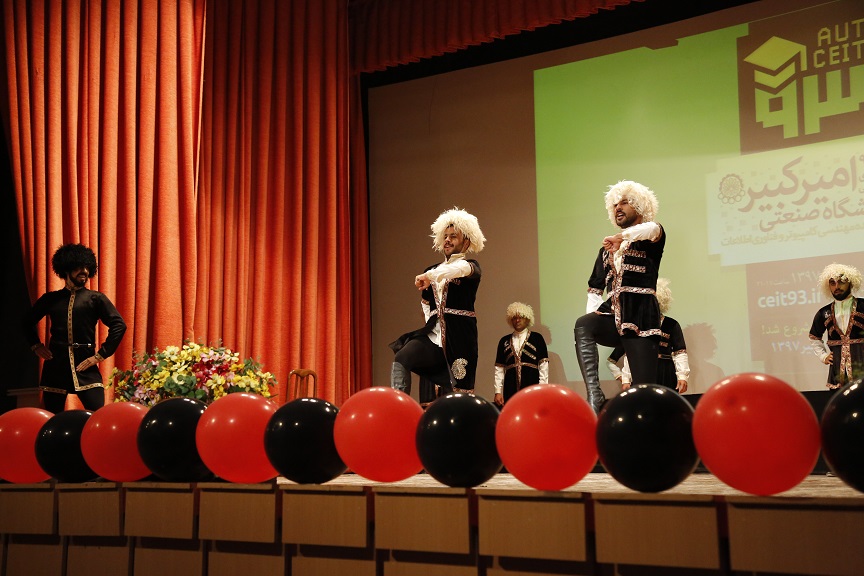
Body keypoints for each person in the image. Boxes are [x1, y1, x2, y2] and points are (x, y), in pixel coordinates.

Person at [574, 180, 665, 414]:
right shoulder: (605, 250)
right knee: (584, 324)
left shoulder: (650, 237)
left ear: (639, 206)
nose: (618, 208)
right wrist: (594, 316)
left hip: (641, 318)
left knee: (644, 391)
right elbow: (595, 288)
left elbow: (653, 229)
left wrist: (622, 237)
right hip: (612, 315)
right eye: (615, 204)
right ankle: (594, 393)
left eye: (624, 202)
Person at [389, 208, 486, 407]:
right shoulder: (431, 270)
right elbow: (426, 303)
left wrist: (431, 276)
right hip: (434, 337)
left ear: (466, 242)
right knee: (402, 356)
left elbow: (457, 269)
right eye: (445, 236)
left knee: (460, 391)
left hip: (460, 337)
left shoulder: (470, 266)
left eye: (453, 236)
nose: (447, 240)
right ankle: (398, 408)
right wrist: (431, 324)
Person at [23, 243, 127, 413]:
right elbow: (26, 322)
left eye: (87, 267)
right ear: (66, 269)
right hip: (56, 365)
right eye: (78, 267)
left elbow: (119, 325)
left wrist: (99, 356)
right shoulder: (50, 299)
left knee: (97, 415)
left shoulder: (96, 298)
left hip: (85, 364)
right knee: (52, 418)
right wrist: (36, 345)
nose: (84, 271)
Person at [606, 278, 689, 393]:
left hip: (666, 371)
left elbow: (680, 352)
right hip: (641, 369)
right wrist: (625, 379)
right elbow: (630, 355)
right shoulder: (635, 326)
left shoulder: (672, 324)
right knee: (644, 400)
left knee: (666, 402)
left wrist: (682, 376)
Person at [809, 263, 864, 389]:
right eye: (832, 283)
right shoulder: (824, 313)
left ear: (850, 283)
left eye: (841, 282)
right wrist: (823, 356)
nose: (837, 287)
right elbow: (814, 337)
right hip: (838, 374)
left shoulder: (862, 306)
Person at [493, 302, 549, 407]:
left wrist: (542, 389)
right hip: (510, 388)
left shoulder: (537, 338)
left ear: (527, 319)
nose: (517, 320)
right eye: (514, 318)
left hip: (532, 386)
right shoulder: (504, 341)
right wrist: (498, 391)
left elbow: (543, 366)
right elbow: (499, 368)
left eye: (521, 317)